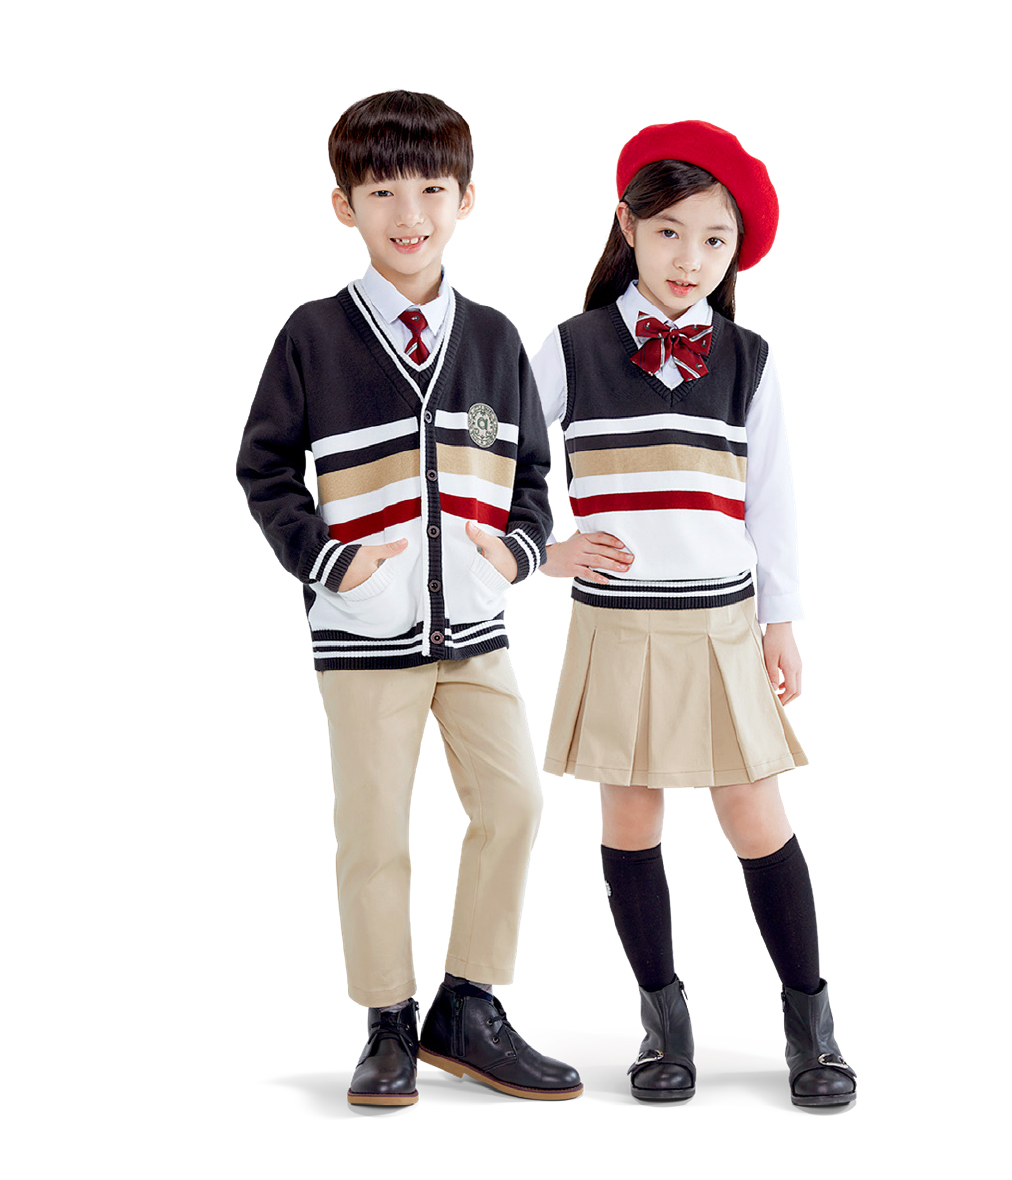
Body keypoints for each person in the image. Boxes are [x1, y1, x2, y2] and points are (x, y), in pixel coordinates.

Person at [237, 90, 581, 1106]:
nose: (409, 212)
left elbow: (532, 475)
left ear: (466, 199)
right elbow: (264, 467)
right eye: (382, 190)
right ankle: (387, 1019)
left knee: (514, 802)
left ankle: (467, 1006)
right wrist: (327, 561)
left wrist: (516, 553)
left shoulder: (495, 338)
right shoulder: (314, 335)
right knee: (376, 831)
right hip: (363, 634)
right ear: (343, 204)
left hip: (475, 629)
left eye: (431, 188)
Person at [533, 120, 856, 1107]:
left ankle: (811, 1025)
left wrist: (781, 618)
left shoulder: (748, 357)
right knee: (631, 818)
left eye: (714, 239)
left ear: (736, 250)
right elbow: (493, 458)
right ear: (626, 226)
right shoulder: (573, 346)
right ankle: (663, 1024)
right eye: (669, 231)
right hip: (617, 623)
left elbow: (773, 496)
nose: (689, 258)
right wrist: (545, 548)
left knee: (755, 815)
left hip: (721, 625)